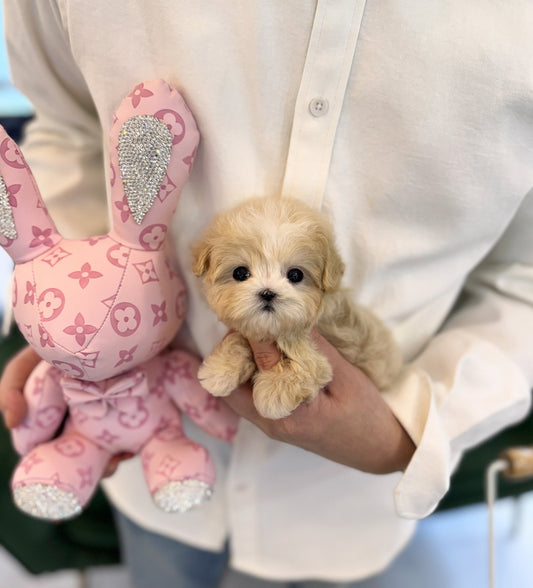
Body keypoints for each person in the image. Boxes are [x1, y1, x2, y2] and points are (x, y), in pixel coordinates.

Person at [1, 2, 532, 586]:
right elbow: (68, 125)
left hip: (346, 504)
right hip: (154, 458)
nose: (272, 292)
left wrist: (413, 429)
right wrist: (79, 320)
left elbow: (524, 274)